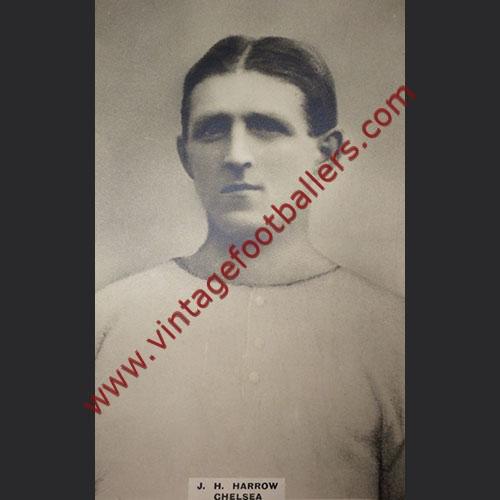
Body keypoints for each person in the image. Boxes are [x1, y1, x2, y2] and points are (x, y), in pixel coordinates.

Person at [95, 35, 404, 499]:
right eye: (212, 130)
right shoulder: (106, 323)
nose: (236, 155)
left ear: (327, 154)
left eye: (266, 127)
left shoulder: (395, 338)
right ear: (185, 155)